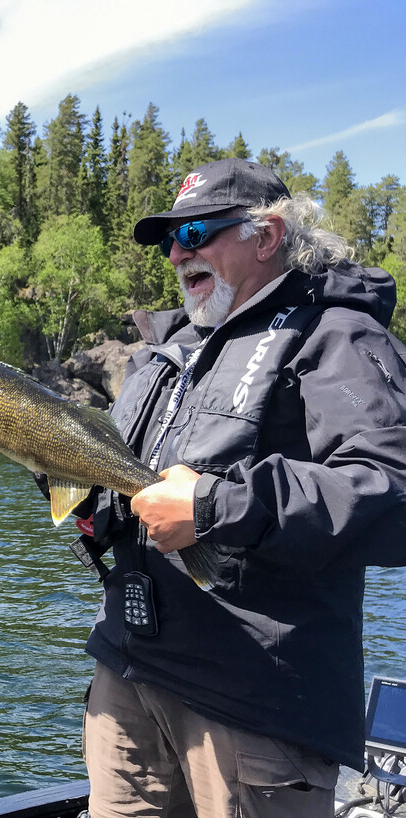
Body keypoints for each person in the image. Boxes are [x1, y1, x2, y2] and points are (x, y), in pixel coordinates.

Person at [79, 157, 406, 817]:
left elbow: (391, 493)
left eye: (196, 234)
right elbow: (110, 502)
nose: (176, 254)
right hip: (127, 677)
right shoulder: (166, 354)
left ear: (268, 236)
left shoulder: (337, 336)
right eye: (169, 241)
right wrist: (54, 469)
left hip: (256, 704)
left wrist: (215, 506)